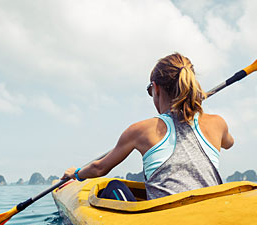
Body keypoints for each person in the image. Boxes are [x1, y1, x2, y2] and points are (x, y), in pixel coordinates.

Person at [61, 53, 234, 200]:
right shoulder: (217, 123)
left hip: (166, 221)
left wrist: (75, 174)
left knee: (113, 187)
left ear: (156, 88)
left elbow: (99, 168)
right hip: (211, 211)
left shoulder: (140, 130)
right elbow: (228, 143)